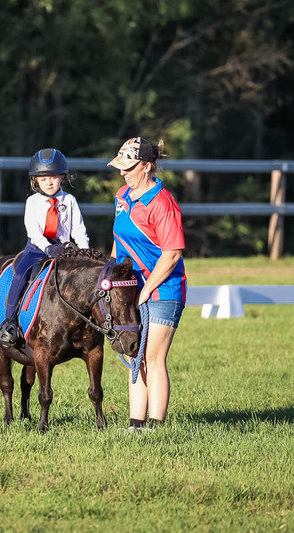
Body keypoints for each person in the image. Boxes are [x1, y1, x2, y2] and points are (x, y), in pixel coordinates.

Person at [107, 137, 186, 430]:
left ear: (147, 166)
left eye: (129, 167)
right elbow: (119, 242)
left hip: (164, 289)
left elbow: (172, 253)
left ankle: (156, 426)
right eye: (121, 167)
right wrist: (111, 277)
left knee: (153, 356)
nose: (123, 173)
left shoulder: (162, 203)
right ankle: (135, 426)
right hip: (132, 290)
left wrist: (147, 289)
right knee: (135, 355)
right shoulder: (122, 196)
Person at [0, 148, 90, 349]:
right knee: (20, 275)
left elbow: (79, 230)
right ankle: (9, 322)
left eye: (53, 177)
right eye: (43, 178)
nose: (49, 182)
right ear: (35, 180)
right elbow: (34, 232)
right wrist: (48, 248)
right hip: (37, 249)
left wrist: (85, 253)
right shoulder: (33, 202)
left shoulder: (69, 201)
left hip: (65, 249)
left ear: (62, 177)